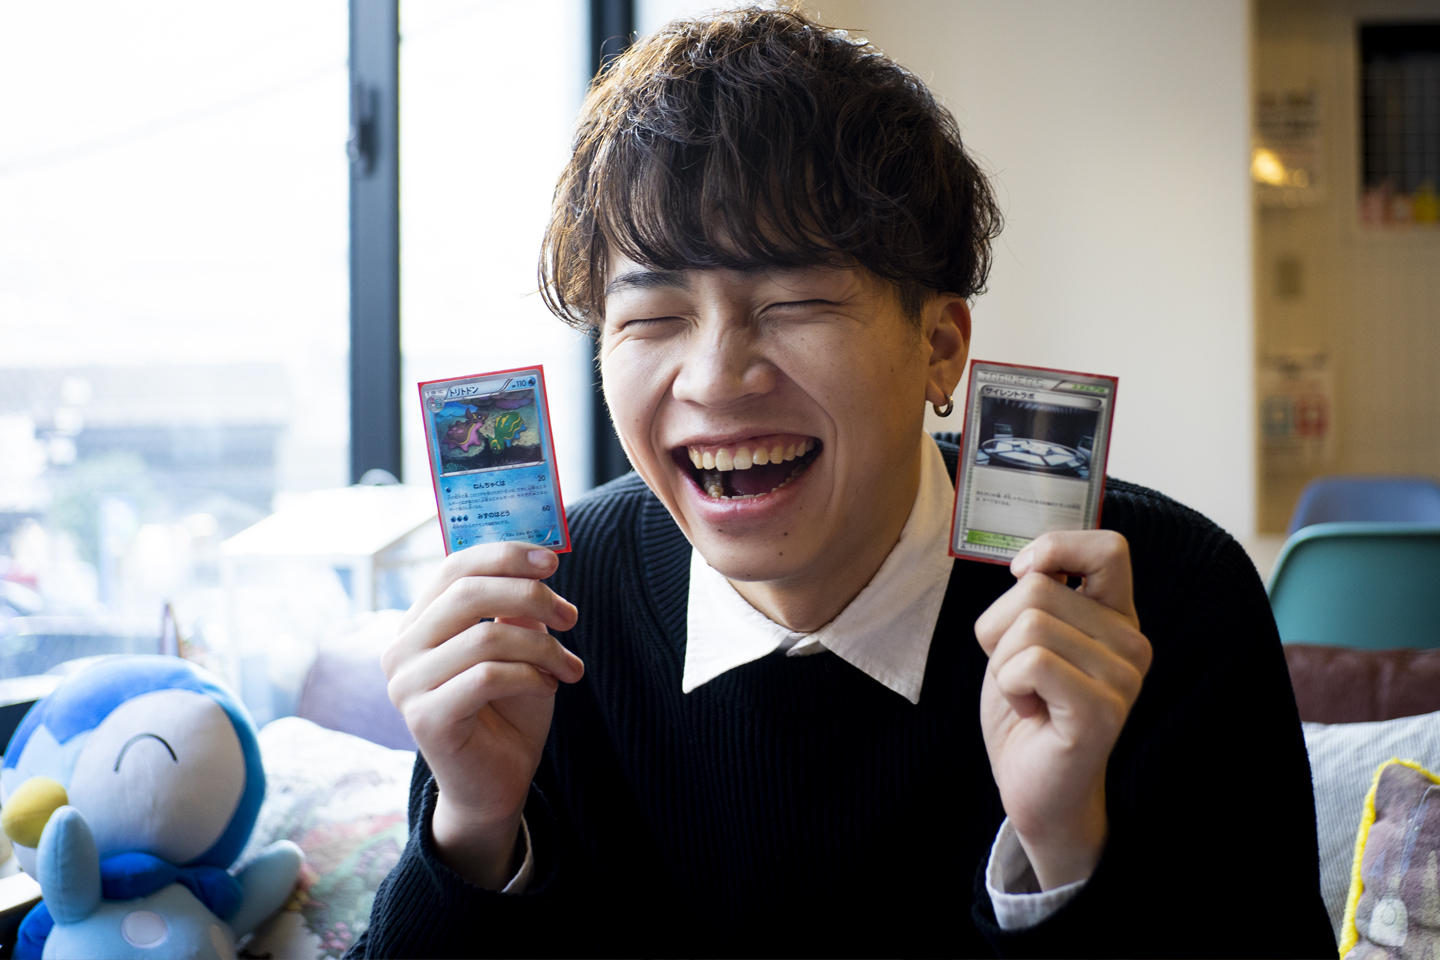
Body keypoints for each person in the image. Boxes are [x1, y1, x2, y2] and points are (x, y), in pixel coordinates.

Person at [350, 7, 1334, 957]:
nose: (714, 379)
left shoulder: (1161, 601)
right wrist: (471, 829)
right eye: (651, 318)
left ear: (939, 346)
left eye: (794, 302)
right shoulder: (546, 616)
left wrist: (1065, 852)